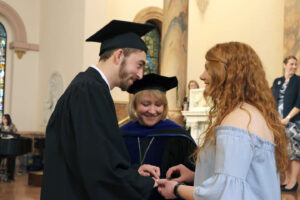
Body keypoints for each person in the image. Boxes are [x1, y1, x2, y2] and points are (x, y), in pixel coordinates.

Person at [41, 20, 161, 200]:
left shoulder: (89, 87)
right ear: (119, 55)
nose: (140, 75)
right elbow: (98, 168)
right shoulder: (89, 91)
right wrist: (147, 184)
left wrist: (135, 172)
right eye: (139, 65)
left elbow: (91, 155)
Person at [156, 42, 288, 200]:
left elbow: (225, 194)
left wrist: (176, 189)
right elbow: (245, 176)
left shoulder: (238, 120)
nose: (202, 76)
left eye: (208, 68)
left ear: (229, 73)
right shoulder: (253, 113)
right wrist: (195, 175)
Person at [120, 73, 197, 200]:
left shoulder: (179, 137)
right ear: (134, 105)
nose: (152, 110)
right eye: (145, 104)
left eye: (158, 105)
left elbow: (194, 177)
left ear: (164, 107)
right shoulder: (121, 135)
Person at [271, 56, 300, 192]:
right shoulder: (278, 81)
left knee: (294, 152)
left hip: (293, 122)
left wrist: (287, 118)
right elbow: (271, 100)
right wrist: (277, 118)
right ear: (284, 65)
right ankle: (287, 179)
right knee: (284, 152)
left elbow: (299, 103)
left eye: (296, 64)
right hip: (278, 122)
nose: (294, 67)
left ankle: (293, 181)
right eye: (291, 64)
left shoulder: (299, 81)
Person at [0, 114, 18, 181]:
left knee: (11, 159)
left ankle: (10, 176)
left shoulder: (12, 126)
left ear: (8, 119)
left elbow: (16, 134)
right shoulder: (1, 126)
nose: (3, 120)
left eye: (4, 118)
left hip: (10, 146)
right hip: (2, 146)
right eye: (3, 119)